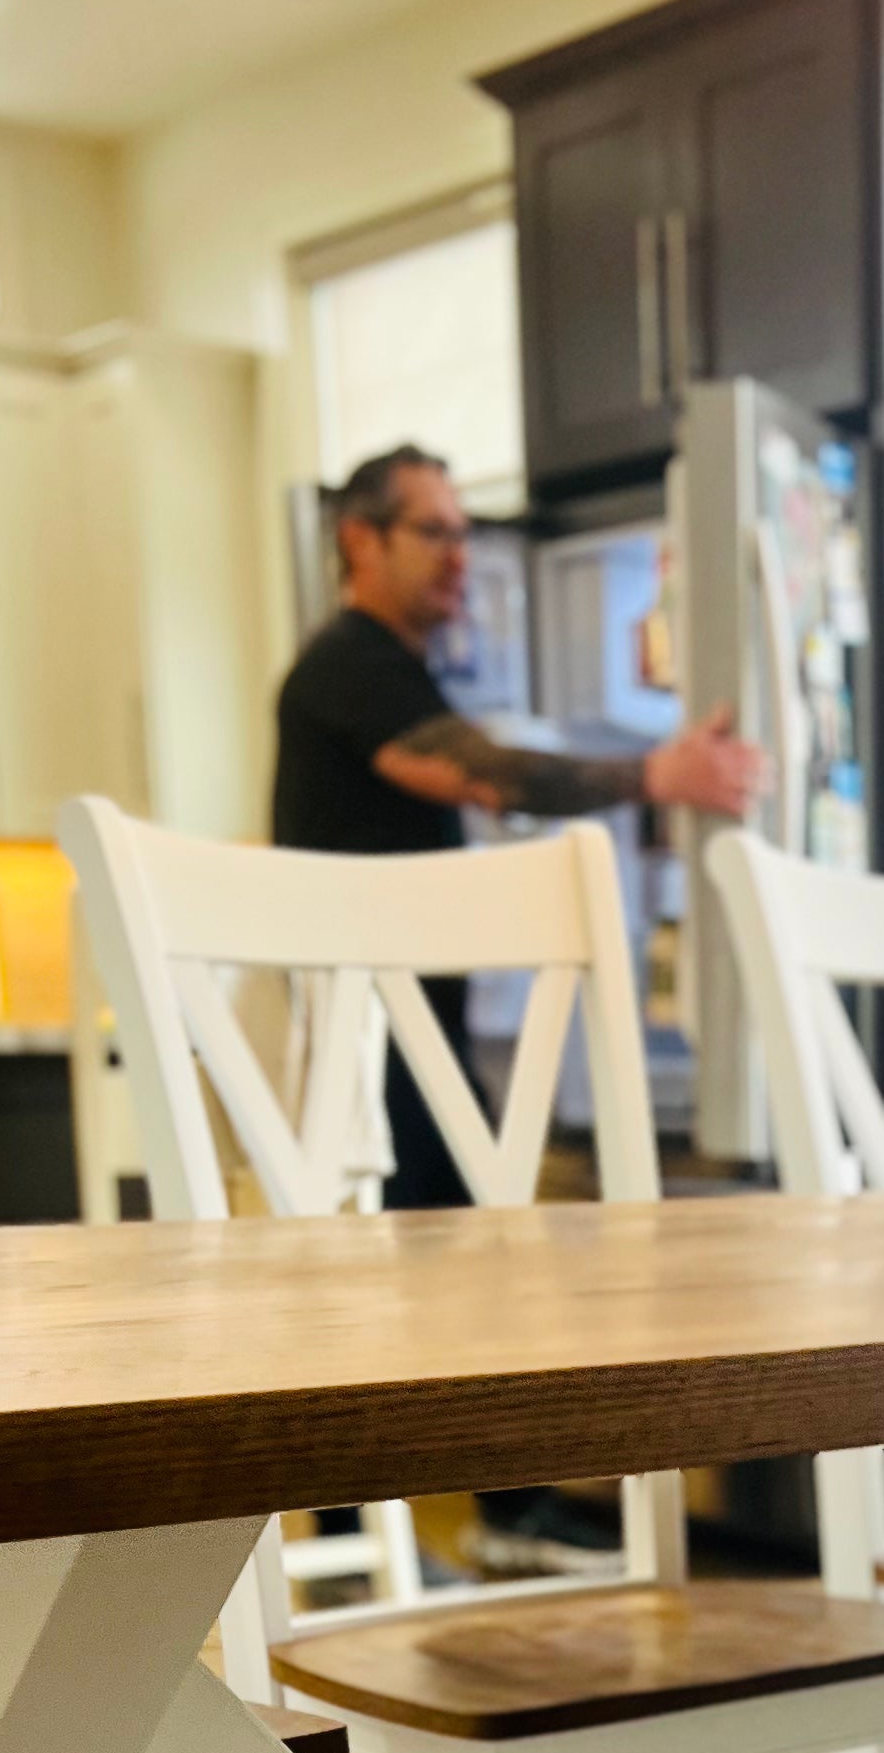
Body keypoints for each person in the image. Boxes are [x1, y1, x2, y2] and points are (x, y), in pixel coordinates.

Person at [271, 440, 765, 1207]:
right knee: (426, 1240)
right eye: (433, 532)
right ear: (360, 541)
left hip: (416, 1024)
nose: (459, 557)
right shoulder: (349, 663)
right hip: (371, 1040)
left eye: (463, 534)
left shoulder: (390, 666)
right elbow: (490, 776)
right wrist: (655, 775)